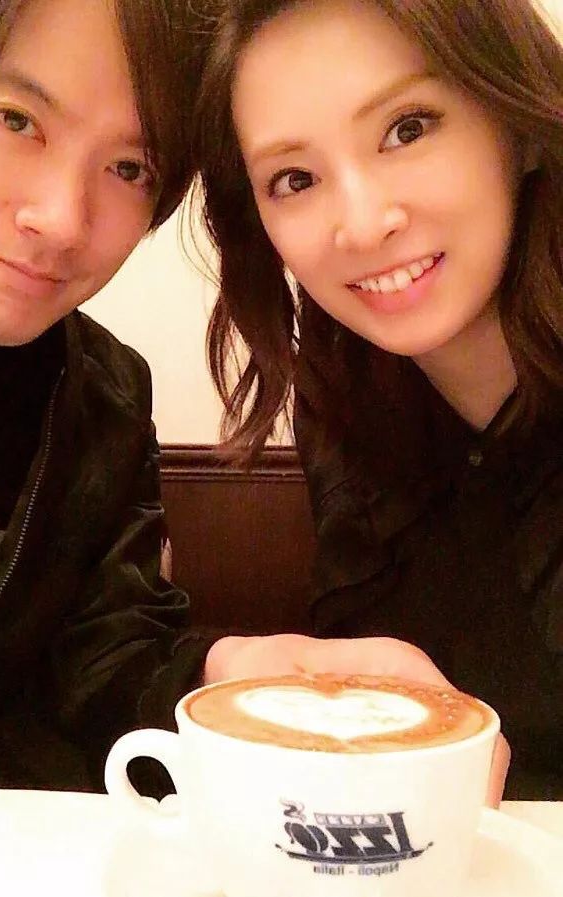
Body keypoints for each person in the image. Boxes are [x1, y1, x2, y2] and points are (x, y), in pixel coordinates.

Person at [0, 0, 466, 793]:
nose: (63, 220)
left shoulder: (106, 395)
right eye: (17, 120)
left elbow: (108, 667)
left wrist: (235, 671)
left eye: (129, 168)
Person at [194, 0, 562, 798]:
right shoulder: (344, 394)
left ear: (521, 124)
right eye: (295, 179)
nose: (362, 226)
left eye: (407, 129)